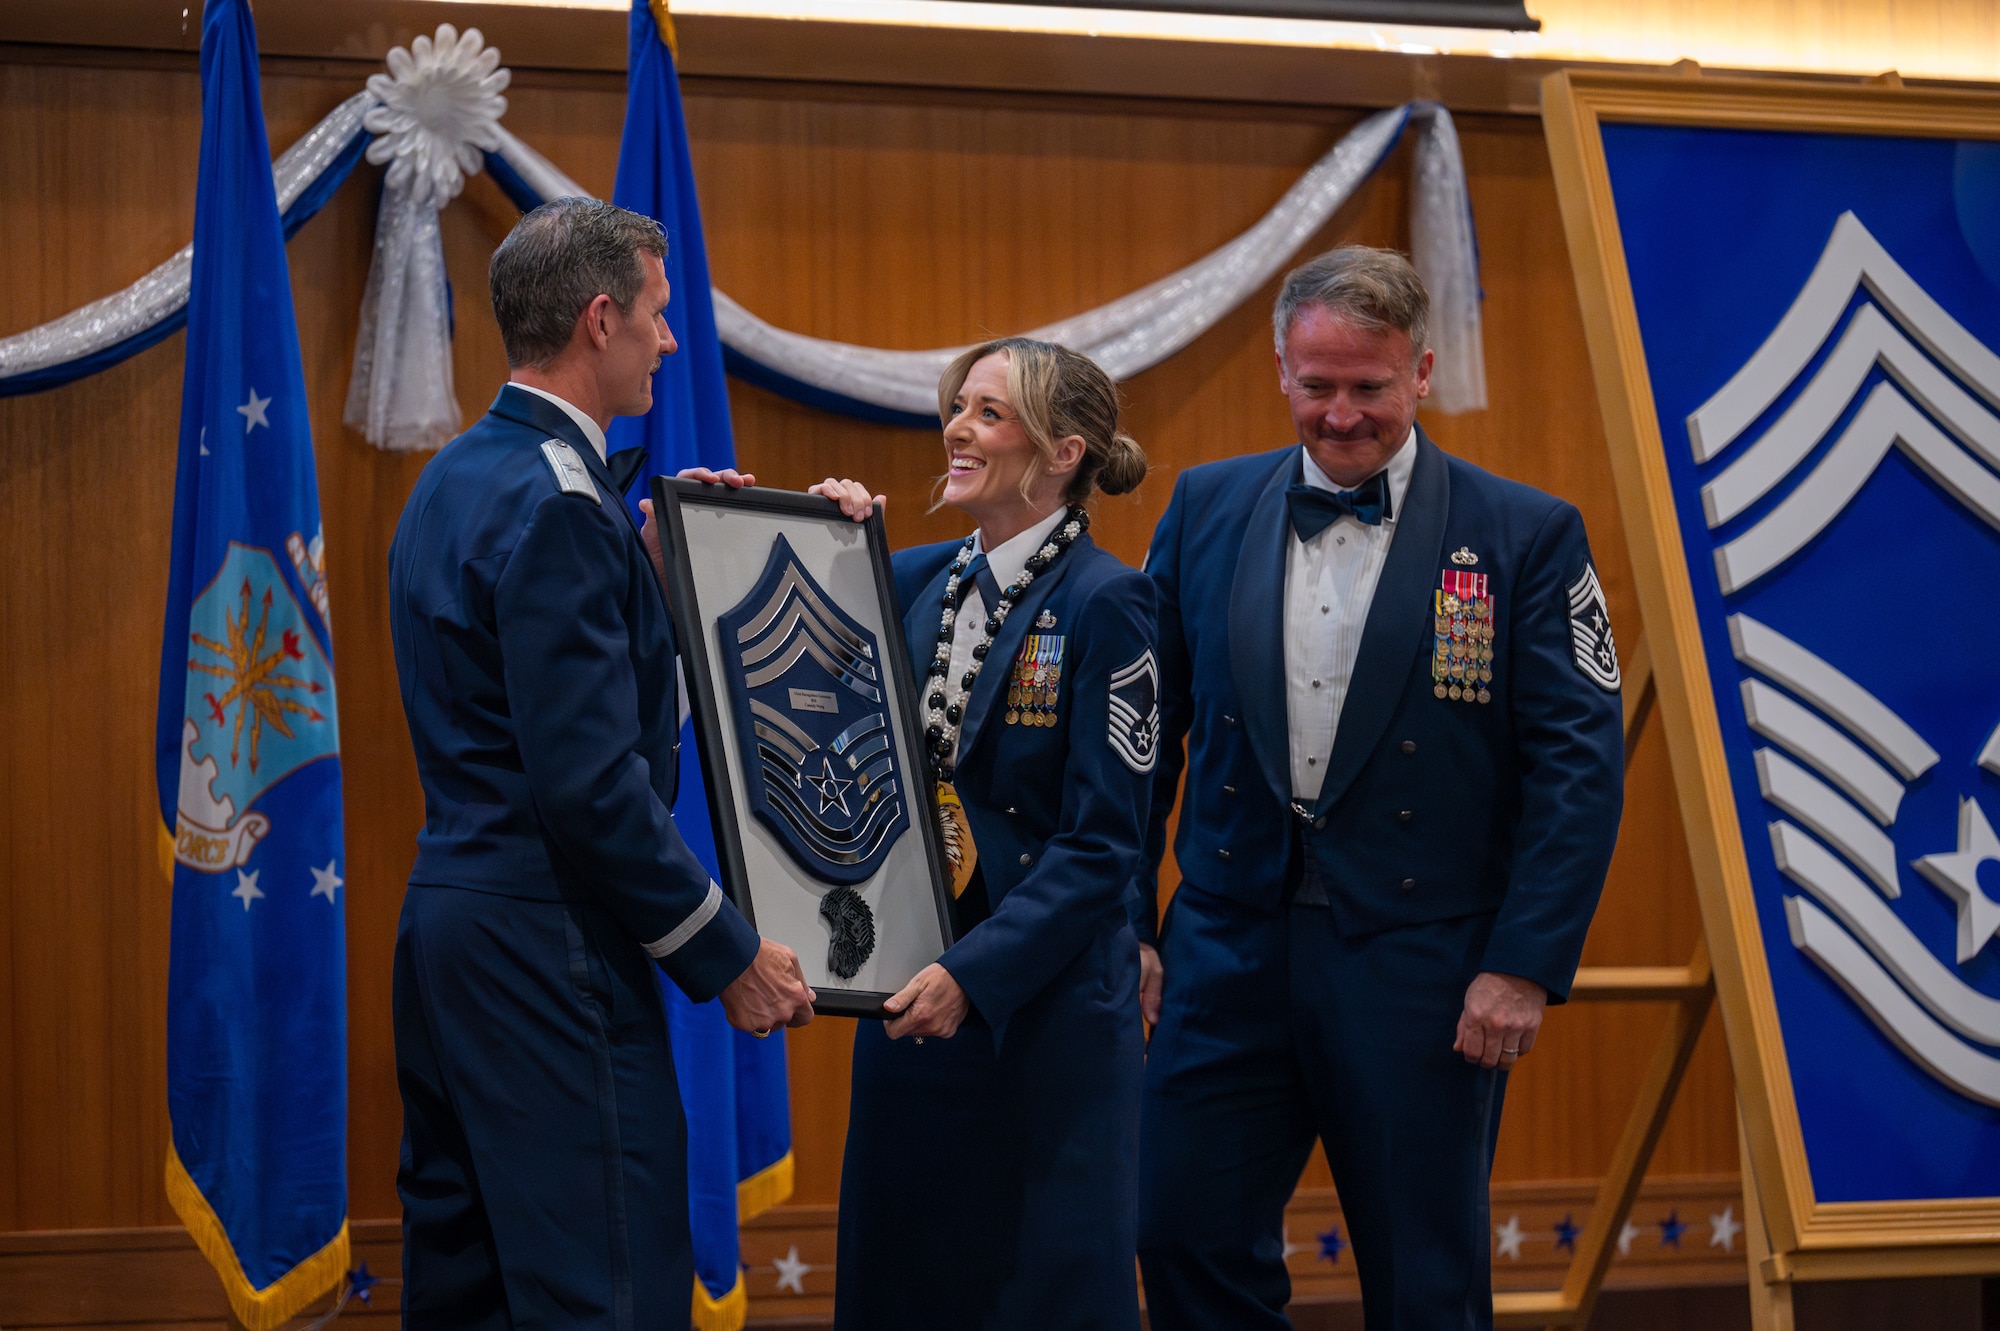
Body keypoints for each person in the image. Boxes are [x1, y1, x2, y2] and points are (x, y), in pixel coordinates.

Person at [1134, 246, 1625, 1330]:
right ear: (1279, 370)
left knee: (1422, 1277)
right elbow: (1141, 737)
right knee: (1177, 1230)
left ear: (1421, 373)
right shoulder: (1205, 506)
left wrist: (1521, 964)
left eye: (1369, 386)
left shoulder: (1523, 533)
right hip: (1223, 945)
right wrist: (1133, 923)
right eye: (1317, 385)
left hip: (1424, 962)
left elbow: (1579, 765)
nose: (1341, 413)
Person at [387, 198, 838, 1329]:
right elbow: (589, 782)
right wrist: (724, 951)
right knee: (610, 1288)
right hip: (552, 945)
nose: (669, 339)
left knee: (475, 1285)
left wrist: (645, 566)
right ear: (600, 318)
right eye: (657, 312)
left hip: (454, 929)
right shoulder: (558, 503)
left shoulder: (462, 476)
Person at [810, 338, 1158, 1330]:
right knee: (902, 1284)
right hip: (911, 999)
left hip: (1036, 1017)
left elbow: (1101, 845)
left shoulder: (1108, 602)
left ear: (1063, 452)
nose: (958, 429)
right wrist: (817, 533)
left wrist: (976, 975)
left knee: (1041, 1294)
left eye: (990, 414)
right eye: (958, 406)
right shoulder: (910, 575)